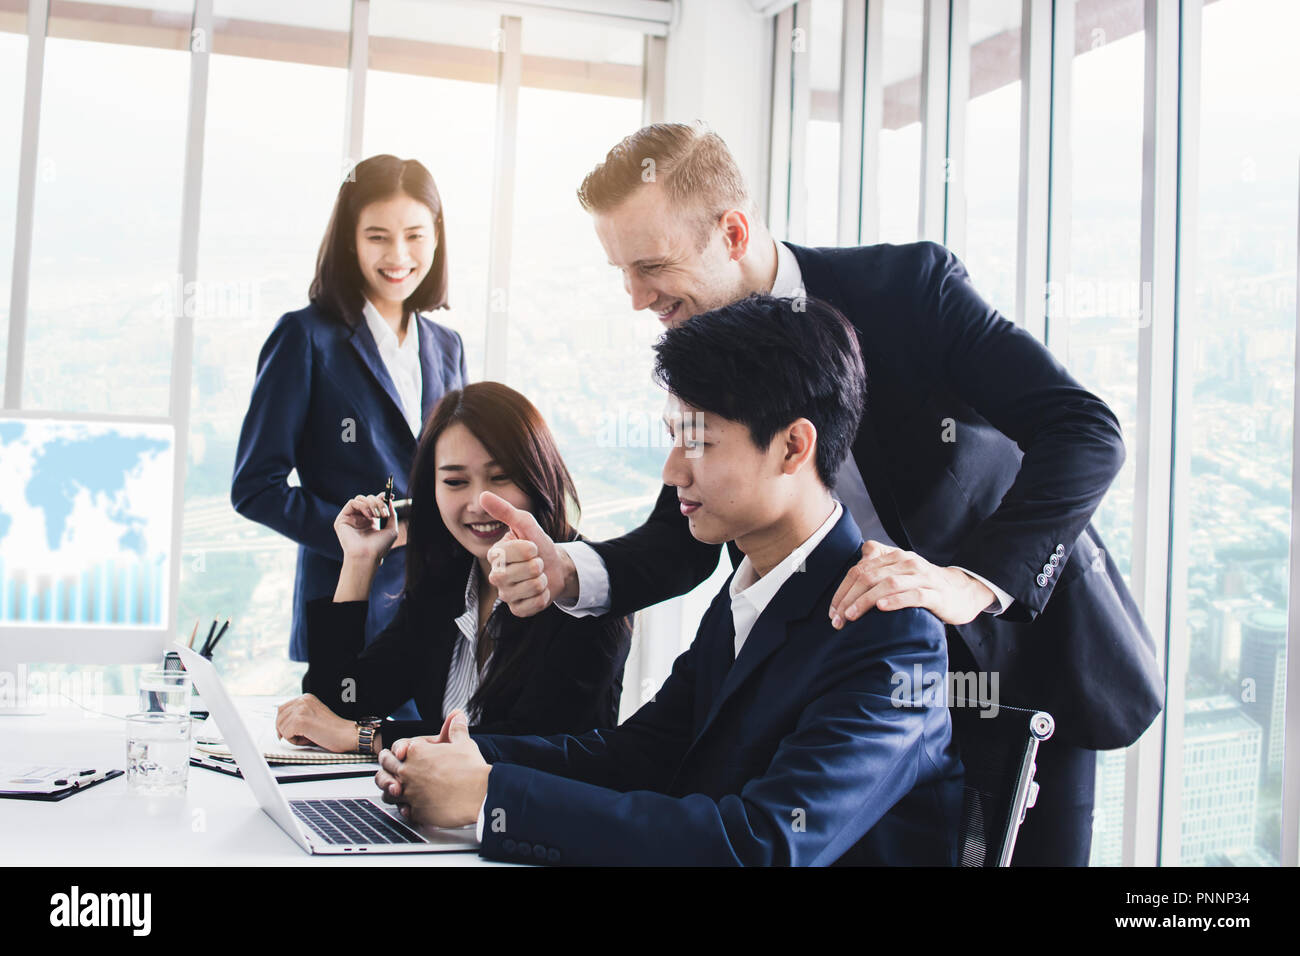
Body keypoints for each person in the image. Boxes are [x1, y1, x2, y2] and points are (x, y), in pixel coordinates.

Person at [480, 123, 1163, 866]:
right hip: (850, 667)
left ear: (732, 232)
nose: (638, 298)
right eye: (622, 273)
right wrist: (569, 572)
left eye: (650, 267)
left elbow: (1085, 428)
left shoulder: (907, 293)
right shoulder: (721, 382)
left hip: (1013, 662)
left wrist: (971, 583)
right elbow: (686, 536)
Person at [373, 295, 964, 866]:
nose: (672, 469)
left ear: (793, 447)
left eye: (698, 441)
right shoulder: (754, 591)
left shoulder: (890, 635)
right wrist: (471, 759)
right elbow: (639, 755)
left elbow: (761, 844)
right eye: (672, 436)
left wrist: (490, 798)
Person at [231, 156, 470, 720]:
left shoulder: (447, 346)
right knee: (341, 784)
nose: (398, 256)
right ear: (350, 241)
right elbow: (256, 487)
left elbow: (459, 468)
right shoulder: (306, 337)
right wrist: (361, 539)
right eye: (377, 237)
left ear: (436, 239)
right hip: (348, 603)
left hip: (436, 608)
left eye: (415, 235)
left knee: (419, 780)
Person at [273, 382, 633, 754]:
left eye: (500, 477)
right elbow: (336, 705)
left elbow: (528, 743)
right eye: (455, 481)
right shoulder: (445, 581)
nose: (479, 503)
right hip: (433, 809)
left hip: (536, 811)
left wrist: (365, 738)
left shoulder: (585, 585)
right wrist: (360, 560)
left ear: (538, 475)